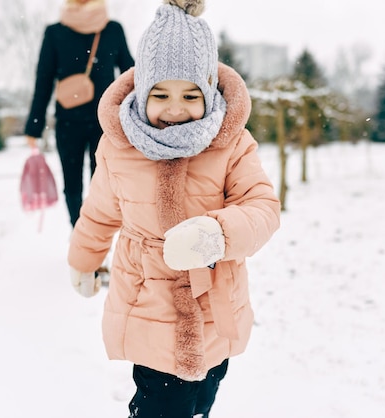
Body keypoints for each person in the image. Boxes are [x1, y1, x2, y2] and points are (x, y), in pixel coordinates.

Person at [68, 0, 281, 416]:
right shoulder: (120, 147)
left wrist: (218, 234)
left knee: (204, 394)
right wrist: (84, 259)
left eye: (190, 94)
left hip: (213, 302)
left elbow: (262, 206)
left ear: (208, 91)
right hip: (148, 297)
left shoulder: (231, 143)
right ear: (143, 90)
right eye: (160, 93)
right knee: (161, 403)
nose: (175, 107)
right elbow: (99, 211)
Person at [24, 0, 134, 227]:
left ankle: (95, 245)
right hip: (68, 124)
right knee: (73, 186)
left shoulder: (112, 29)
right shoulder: (55, 32)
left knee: (102, 185)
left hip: (105, 124)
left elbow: (130, 76)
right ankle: (80, 238)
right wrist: (34, 125)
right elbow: (43, 81)